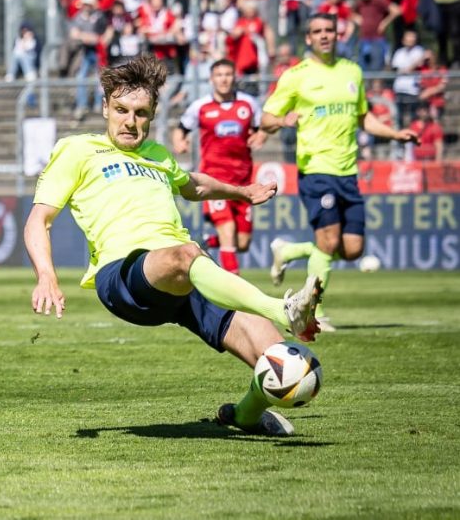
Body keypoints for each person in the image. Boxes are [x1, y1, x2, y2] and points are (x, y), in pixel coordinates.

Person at [24, 54, 324, 438]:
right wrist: (46, 276)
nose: (130, 121)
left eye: (141, 113)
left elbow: (193, 185)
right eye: (121, 109)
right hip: (125, 275)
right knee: (186, 256)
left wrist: (241, 192)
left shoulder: (158, 156)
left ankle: (246, 414)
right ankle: (283, 310)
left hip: (188, 275)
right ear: (104, 107)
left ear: (152, 115)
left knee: (285, 361)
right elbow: (39, 220)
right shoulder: (77, 150)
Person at [261, 13, 418, 332]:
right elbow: (266, 119)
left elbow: (365, 119)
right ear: (308, 38)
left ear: (338, 34)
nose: (324, 36)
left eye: (329, 30)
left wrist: (395, 134)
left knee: (352, 249)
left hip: (348, 172)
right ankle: (313, 314)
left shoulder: (352, 72)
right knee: (329, 240)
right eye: (317, 31)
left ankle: (288, 251)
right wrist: (283, 121)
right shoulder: (296, 75)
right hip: (316, 169)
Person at [172, 59, 266, 275]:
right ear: (211, 79)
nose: (224, 79)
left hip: (243, 181)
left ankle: (207, 242)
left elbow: (261, 128)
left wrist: (260, 136)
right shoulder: (200, 106)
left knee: (242, 243)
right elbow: (181, 129)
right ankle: (235, 286)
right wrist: (179, 142)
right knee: (227, 229)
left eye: (228, 74)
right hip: (215, 180)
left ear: (234, 77)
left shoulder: (249, 104)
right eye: (219, 75)